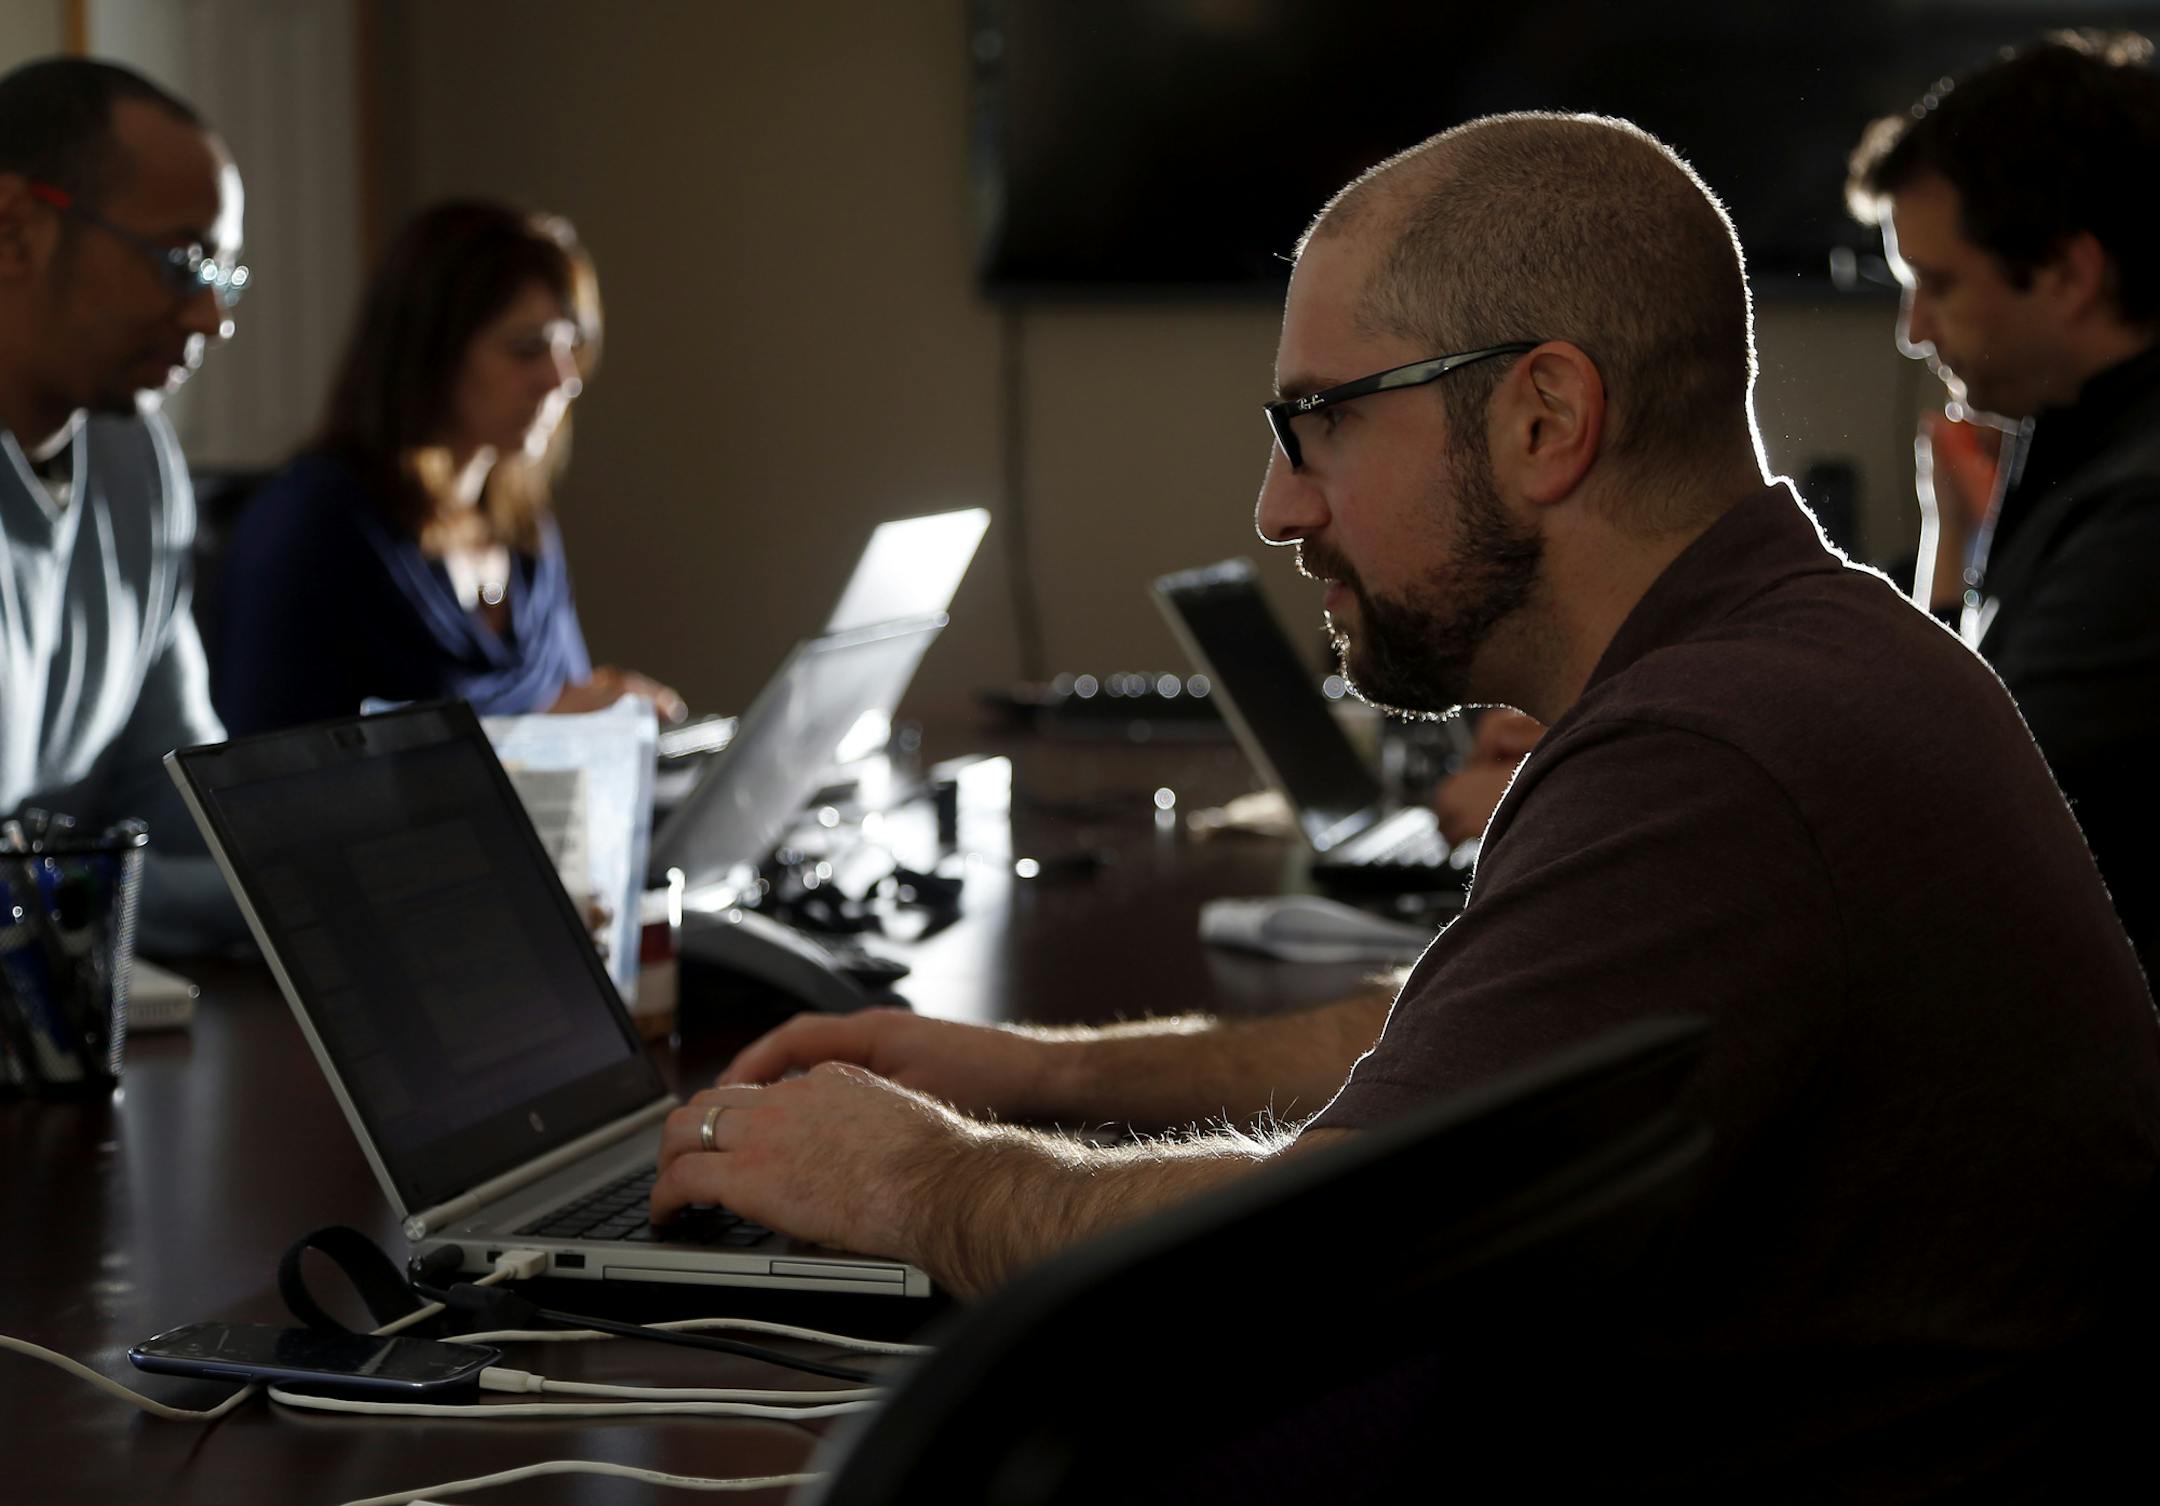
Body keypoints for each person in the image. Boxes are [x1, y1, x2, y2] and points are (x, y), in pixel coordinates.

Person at [650, 112, 2160, 1491]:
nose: (1277, 503)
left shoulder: (1719, 746)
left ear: (1541, 420)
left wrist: (916, 1175)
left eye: (1321, 418)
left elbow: (1292, 1271)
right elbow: (1459, 1048)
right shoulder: (1790, 655)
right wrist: (1018, 1072)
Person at [1847, 29, 2160, 979]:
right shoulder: (2071, 439)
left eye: (1936, 285)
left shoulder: (2140, 514)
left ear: (2069, 273)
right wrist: (1949, 547)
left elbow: (1955, 831)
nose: (1915, 333)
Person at [212, 200, 682, 734]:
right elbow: (270, 772)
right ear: (431, 352)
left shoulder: (522, 527)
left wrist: (602, 711)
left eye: (569, 345)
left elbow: (547, 702)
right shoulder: (314, 525)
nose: (562, 379)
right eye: (526, 349)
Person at [0, 57, 248, 955]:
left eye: (225, 274)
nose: (210, 316)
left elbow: (186, 815)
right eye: (182, 261)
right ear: (16, 231)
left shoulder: (135, 460)